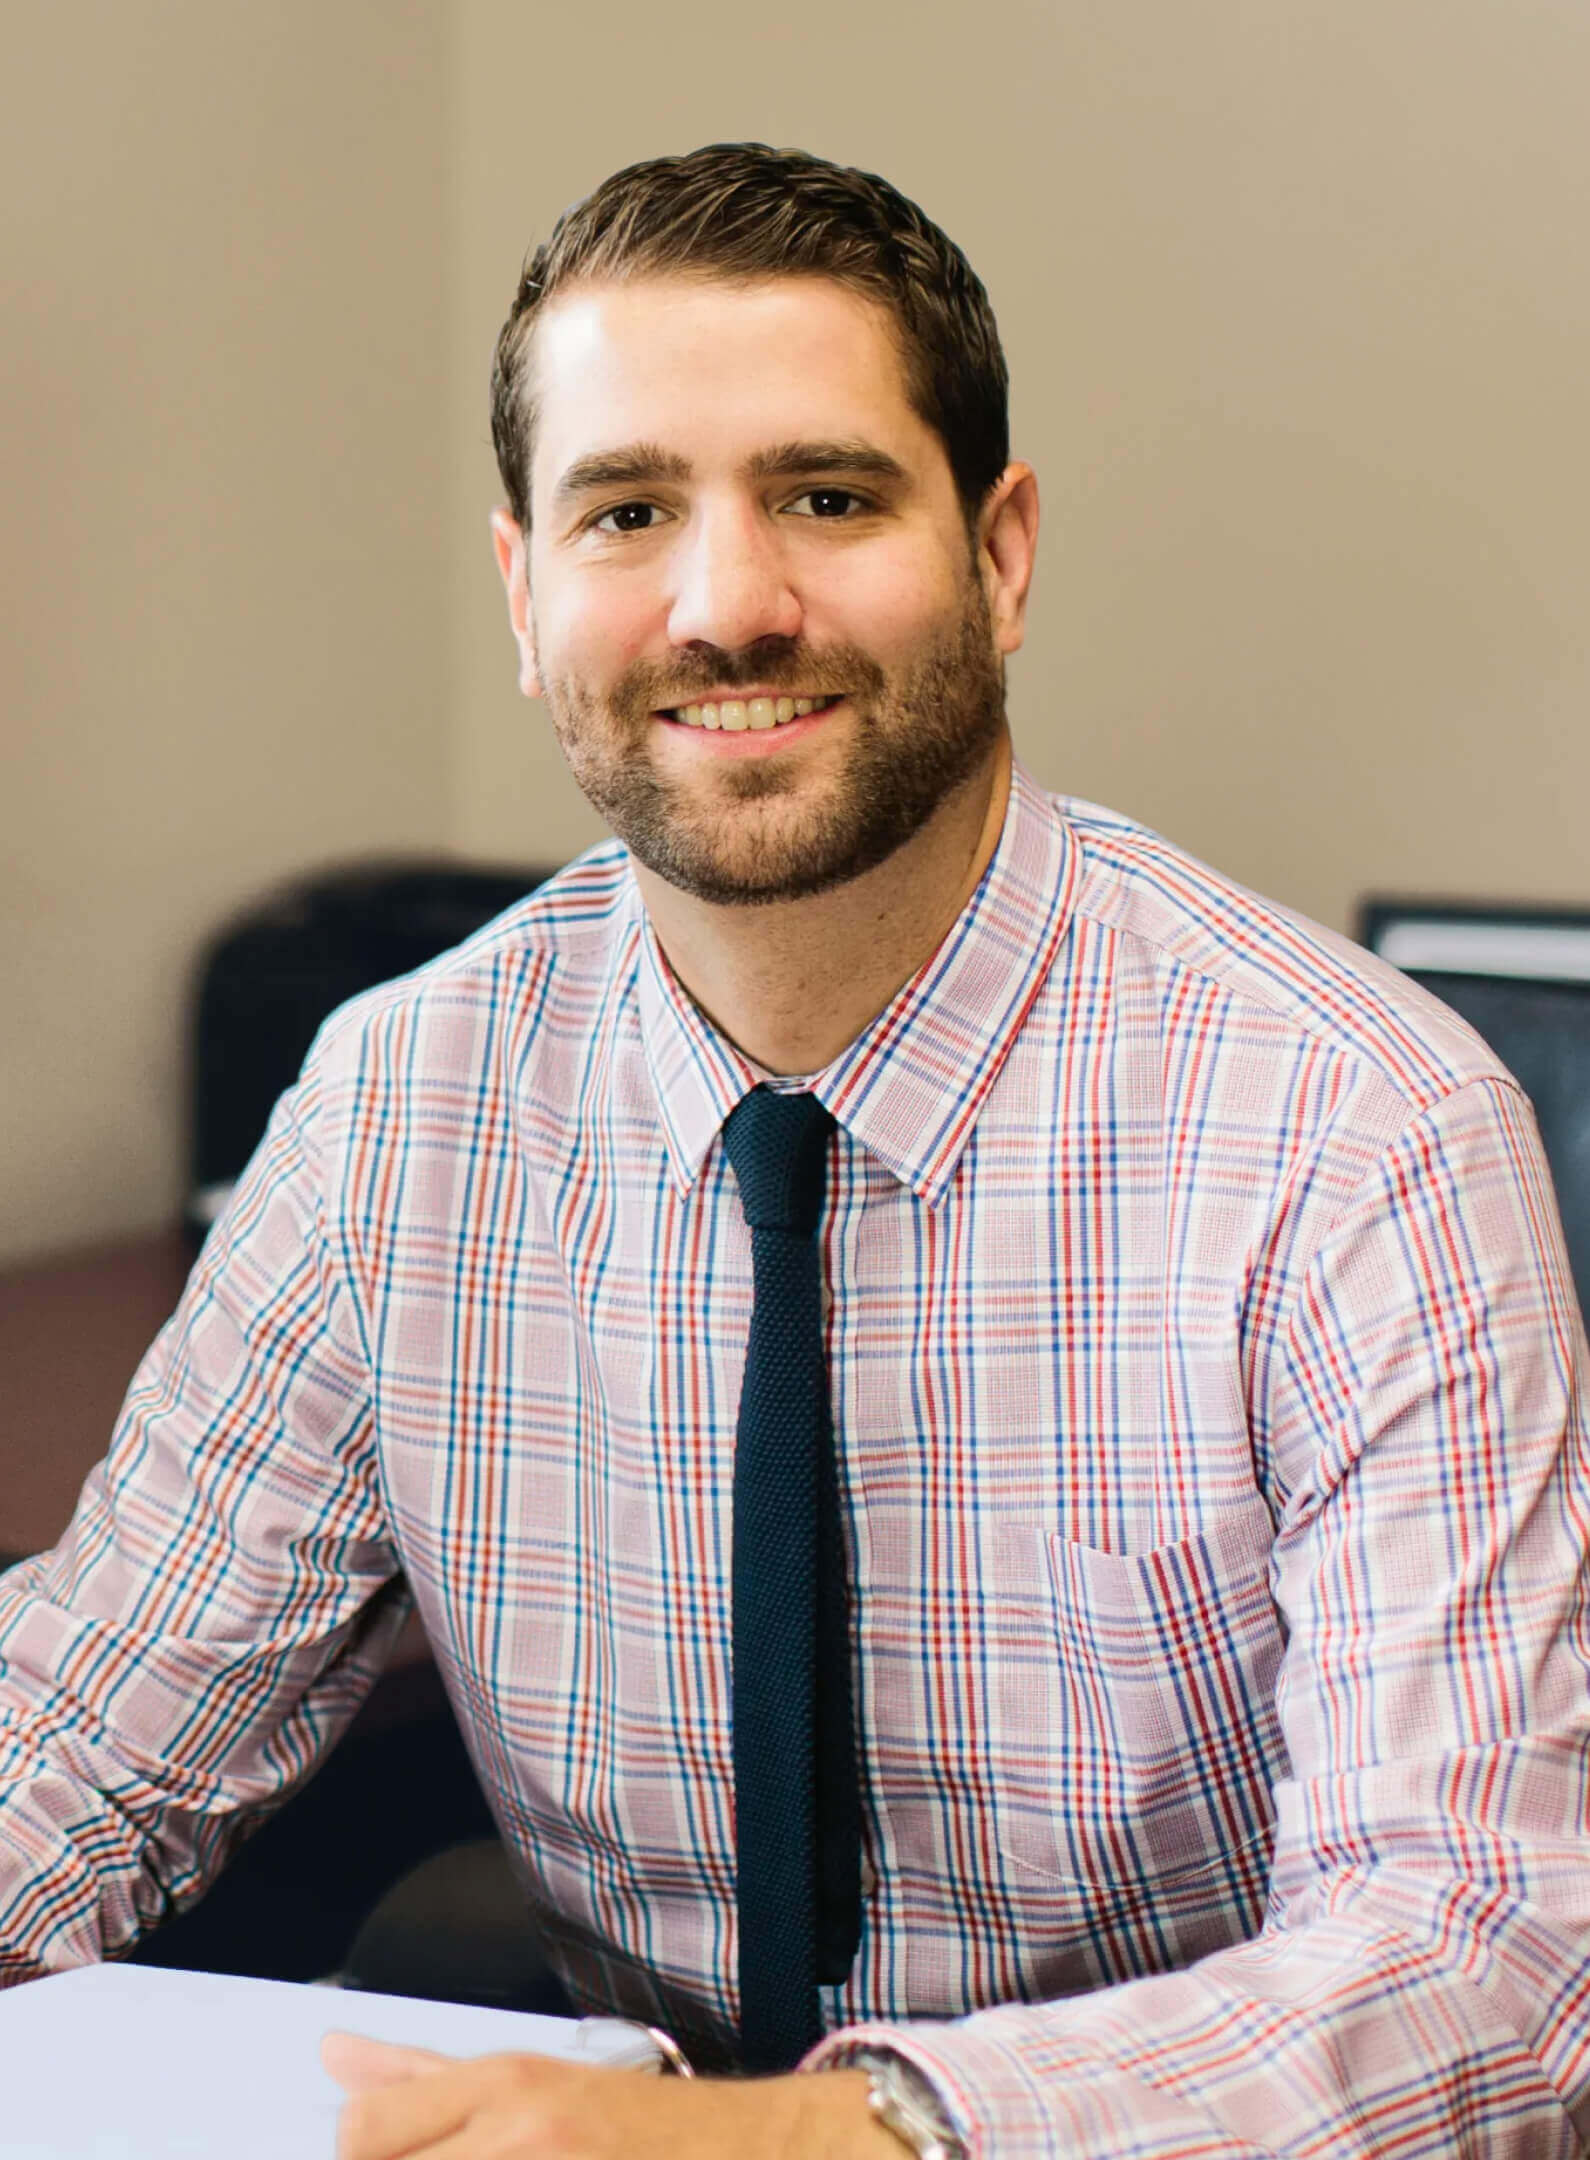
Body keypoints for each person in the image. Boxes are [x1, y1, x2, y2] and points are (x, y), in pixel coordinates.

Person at [2, 143, 1587, 2160]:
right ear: (525, 590)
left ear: (1002, 553)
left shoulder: (1358, 1130)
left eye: (826, 500)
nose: (727, 605)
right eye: (628, 510)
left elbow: (1491, 1962)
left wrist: (824, 2146)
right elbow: (76, 1745)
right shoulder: (401, 1106)